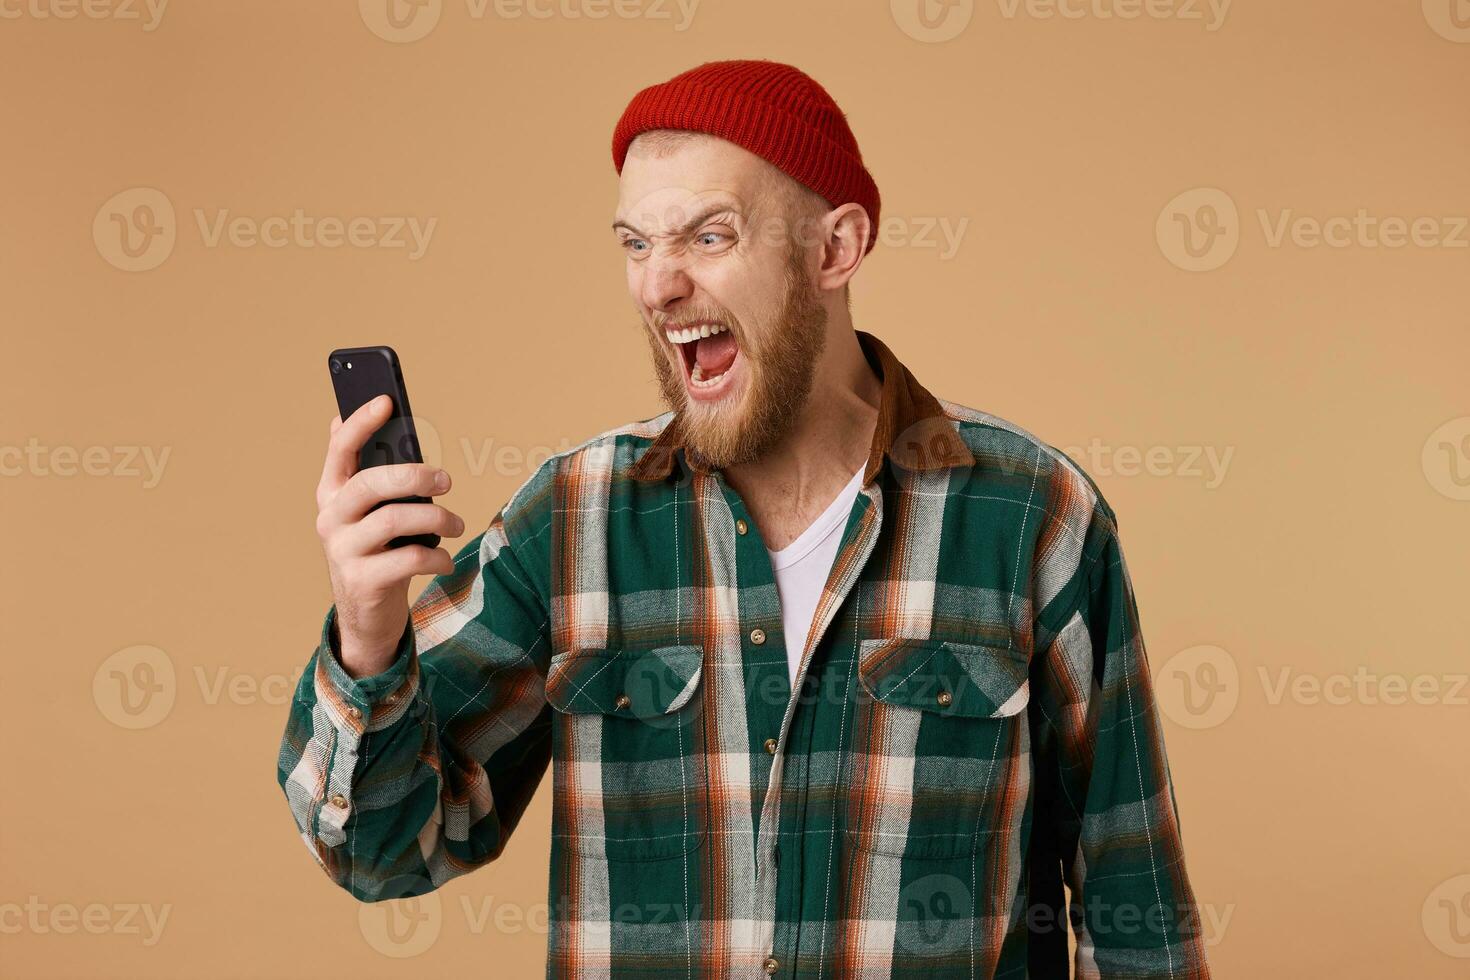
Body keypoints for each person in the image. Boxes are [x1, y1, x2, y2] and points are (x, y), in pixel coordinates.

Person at [278, 59, 1211, 979]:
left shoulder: (1031, 516)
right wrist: (368, 635)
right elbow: (383, 850)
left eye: (708, 237)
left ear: (836, 249)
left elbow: (1141, 919)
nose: (657, 287)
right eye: (636, 244)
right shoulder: (572, 522)